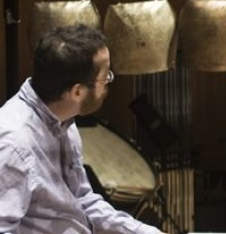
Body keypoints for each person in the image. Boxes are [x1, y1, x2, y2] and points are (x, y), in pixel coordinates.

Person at [0, 24, 164, 234]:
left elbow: (83, 200)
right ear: (77, 92)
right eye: (105, 77)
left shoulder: (64, 122)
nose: (108, 83)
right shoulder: (13, 144)